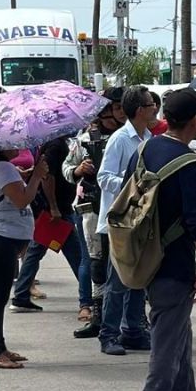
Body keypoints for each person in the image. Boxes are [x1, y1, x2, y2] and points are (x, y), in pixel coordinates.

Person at [131, 89, 196, 391]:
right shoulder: (190, 163)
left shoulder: (146, 148)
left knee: (179, 333)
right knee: (167, 343)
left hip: (147, 256)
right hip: (174, 262)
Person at [96, 85, 156, 355]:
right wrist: (134, 186)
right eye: (150, 104)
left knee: (138, 279)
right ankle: (108, 334)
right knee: (117, 282)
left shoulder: (149, 137)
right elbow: (104, 177)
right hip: (119, 224)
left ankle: (133, 330)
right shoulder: (121, 139)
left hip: (139, 222)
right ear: (140, 110)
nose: (155, 107)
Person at [0, 148, 47, 369]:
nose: (17, 145)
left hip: (3, 240)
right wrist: (36, 176)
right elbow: (21, 201)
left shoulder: (1, 168)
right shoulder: (2, 168)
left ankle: (0, 347)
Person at [69, 87, 124, 338]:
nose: (120, 112)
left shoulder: (131, 136)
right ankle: (98, 315)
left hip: (124, 208)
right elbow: (66, 168)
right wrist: (79, 170)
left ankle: (130, 318)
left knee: (129, 262)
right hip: (92, 206)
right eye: (116, 107)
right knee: (96, 261)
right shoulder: (86, 139)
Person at [10, 137, 87, 315]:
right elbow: (47, 176)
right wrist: (53, 207)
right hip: (57, 211)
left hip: (59, 209)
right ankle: (90, 297)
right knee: (78, 256)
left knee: (37, 251)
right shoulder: (55, 145)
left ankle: (21, 295)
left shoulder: (56, 144)